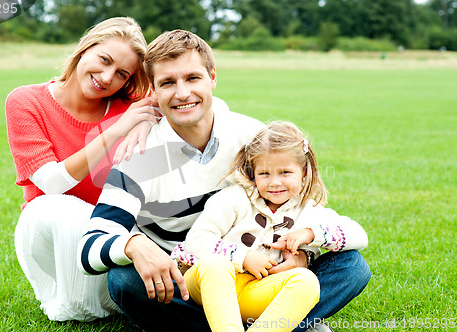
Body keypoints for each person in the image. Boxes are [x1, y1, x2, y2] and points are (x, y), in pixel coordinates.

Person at [78, 30, 370, 332]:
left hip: (262, 271)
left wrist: (303, 257)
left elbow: (298, 210)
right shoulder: (139, 156)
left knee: (352, 267)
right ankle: (284, 324)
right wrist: (134, 244)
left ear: (212, 77)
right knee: (124, 282)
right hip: (187, 281)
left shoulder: (249, 136)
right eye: (168, 83)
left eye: (192, 78)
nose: (181, 93)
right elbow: (88, 248)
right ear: (152, 89)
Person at [5, 17, 160, 322]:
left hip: (109, 237)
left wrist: (144, 118)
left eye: (121, 74)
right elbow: (50, 183)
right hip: (50, 233)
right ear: (85, 47)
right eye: (104, 60)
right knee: (56, 206)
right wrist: (116, 130)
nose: (106, 77)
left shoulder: (131, 106)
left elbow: (201, 103)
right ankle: (78, 298)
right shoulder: (26, 101)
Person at [172, 121, 369, 331]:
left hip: (257, 292)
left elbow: (359, 236)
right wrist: (243, 257)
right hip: (211, 287)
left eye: (285, 172)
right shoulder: (233, 199)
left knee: (307, 281)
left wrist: (311, 234)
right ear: (252, 172)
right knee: (215, 265)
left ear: (304, 171)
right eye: (264, 174)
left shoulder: (309, 211)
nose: (275, 182)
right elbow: (197, 240)